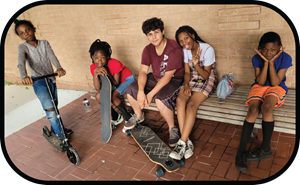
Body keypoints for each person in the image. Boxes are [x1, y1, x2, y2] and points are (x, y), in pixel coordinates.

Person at [235, 32, 292, 171]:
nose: (268, 53)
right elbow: (260, 81)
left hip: (277, 87)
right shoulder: (256, 58)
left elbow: (274, 83)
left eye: (273, 50)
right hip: (259, 87)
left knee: (267, 107)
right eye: (265, 49)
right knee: (253, 110)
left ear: (280, 48)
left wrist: (271, 62)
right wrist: (266, 63)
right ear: (260, 48)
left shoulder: (286, 58)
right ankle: (241, 152)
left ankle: (266, 149)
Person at [124, 17, 184, 147]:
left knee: (159, 99)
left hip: (174, 79)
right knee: (130, 90)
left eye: (156, 32)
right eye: (150, 34)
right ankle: (139, 116)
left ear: (162, 31)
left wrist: (150, 95)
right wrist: (140, 91)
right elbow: (143, 72)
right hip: (156, 77)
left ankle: (172, 129)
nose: (154, 37)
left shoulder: (174, 48)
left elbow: (167, 77)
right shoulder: (148, 49)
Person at [15, 19, 72, 139]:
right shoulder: (22, 48)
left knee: (54, 105)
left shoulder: (44, 43)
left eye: (27, 29)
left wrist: (59, 68)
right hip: (38, 81)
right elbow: (21, 62)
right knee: (50, 109)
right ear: (20, 36)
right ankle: (60, 135)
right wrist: (24, 76)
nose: (26, 33)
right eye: (21, 33)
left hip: (50, 78)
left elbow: (52, 56)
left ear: (33, 29)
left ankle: (57, 127)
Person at [169, 26, 217, 160]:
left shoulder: (207, 49)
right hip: (191, 79)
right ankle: (187, 142)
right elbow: (187, 73)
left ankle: (181, 143)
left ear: (192, 35)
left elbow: (206, 75)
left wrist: (196, 64)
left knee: (191, 105)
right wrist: (185, 86)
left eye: (186, 38)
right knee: (179, 101)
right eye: (181, 41)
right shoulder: (186, 51)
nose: (184, 43)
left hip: (206, 79)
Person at [89, 39, 136, 131]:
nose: (100, 61)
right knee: (98, 96)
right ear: (92, 57)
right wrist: (95, 75)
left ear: (107, 57)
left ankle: (129, 117)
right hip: (112, 83)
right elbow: (98, 88)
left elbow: (116, 83)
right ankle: (116, 117)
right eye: (96, 58)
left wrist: (107, 74)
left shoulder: (114, 63)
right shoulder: (93, 67)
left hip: (127, 79)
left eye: (103, 58)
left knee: (113, 96)